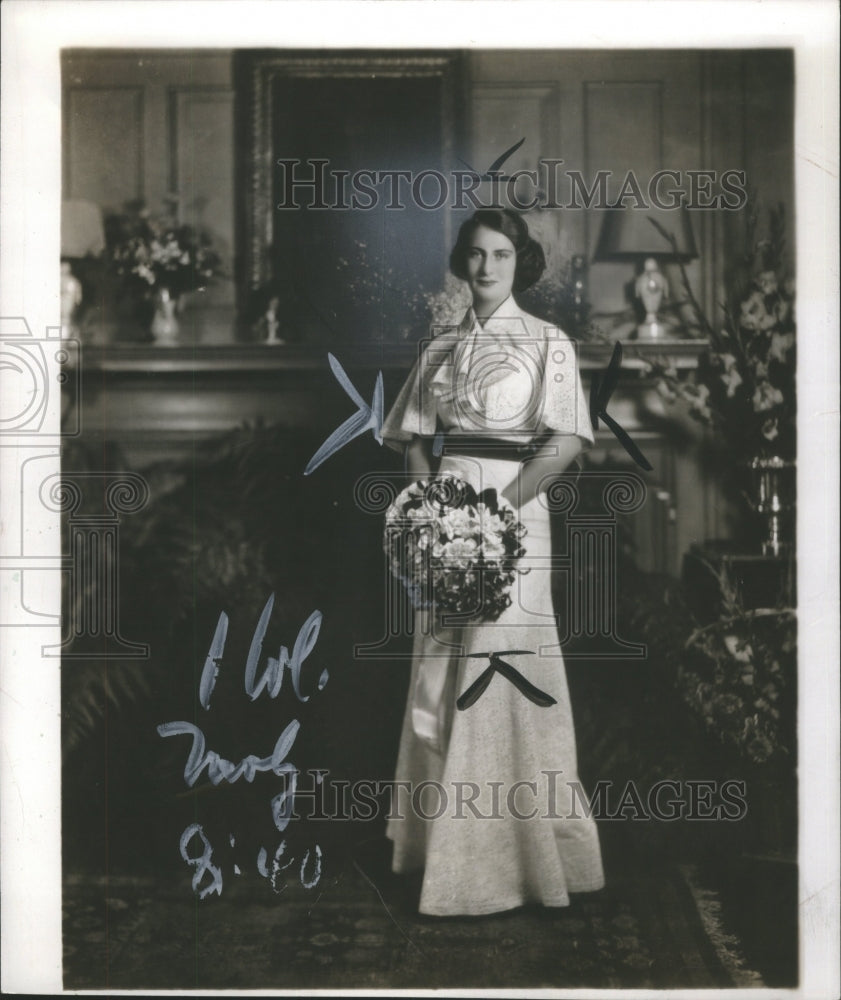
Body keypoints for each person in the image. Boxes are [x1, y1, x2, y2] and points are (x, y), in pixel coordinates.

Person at [380, 208, 605, 917]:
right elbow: (415, 436)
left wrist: (500, 510)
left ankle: (523, 861)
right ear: (461, 260)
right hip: (447, 516)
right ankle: (439, 853)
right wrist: (434, 510)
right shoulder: (442, 347)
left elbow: (565, 442)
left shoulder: (547, 342)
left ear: (520, 262)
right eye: (475, 254)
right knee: (444, 662)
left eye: (500, 255)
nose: (485, 267)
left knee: (507, 664)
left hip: (516, 516)